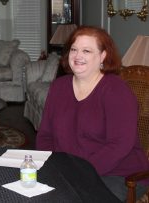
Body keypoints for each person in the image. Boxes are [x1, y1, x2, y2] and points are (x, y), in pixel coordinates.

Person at [36, 26, 149, 201]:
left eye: (87, 51)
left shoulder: (116, 91)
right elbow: (45, 135)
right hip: (67, 169)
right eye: (74, 49)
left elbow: (119, 146)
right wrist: (52, 166)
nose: (77, 56)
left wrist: (78, 172)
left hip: (118, 174)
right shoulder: (59, 87)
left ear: (103, 56)